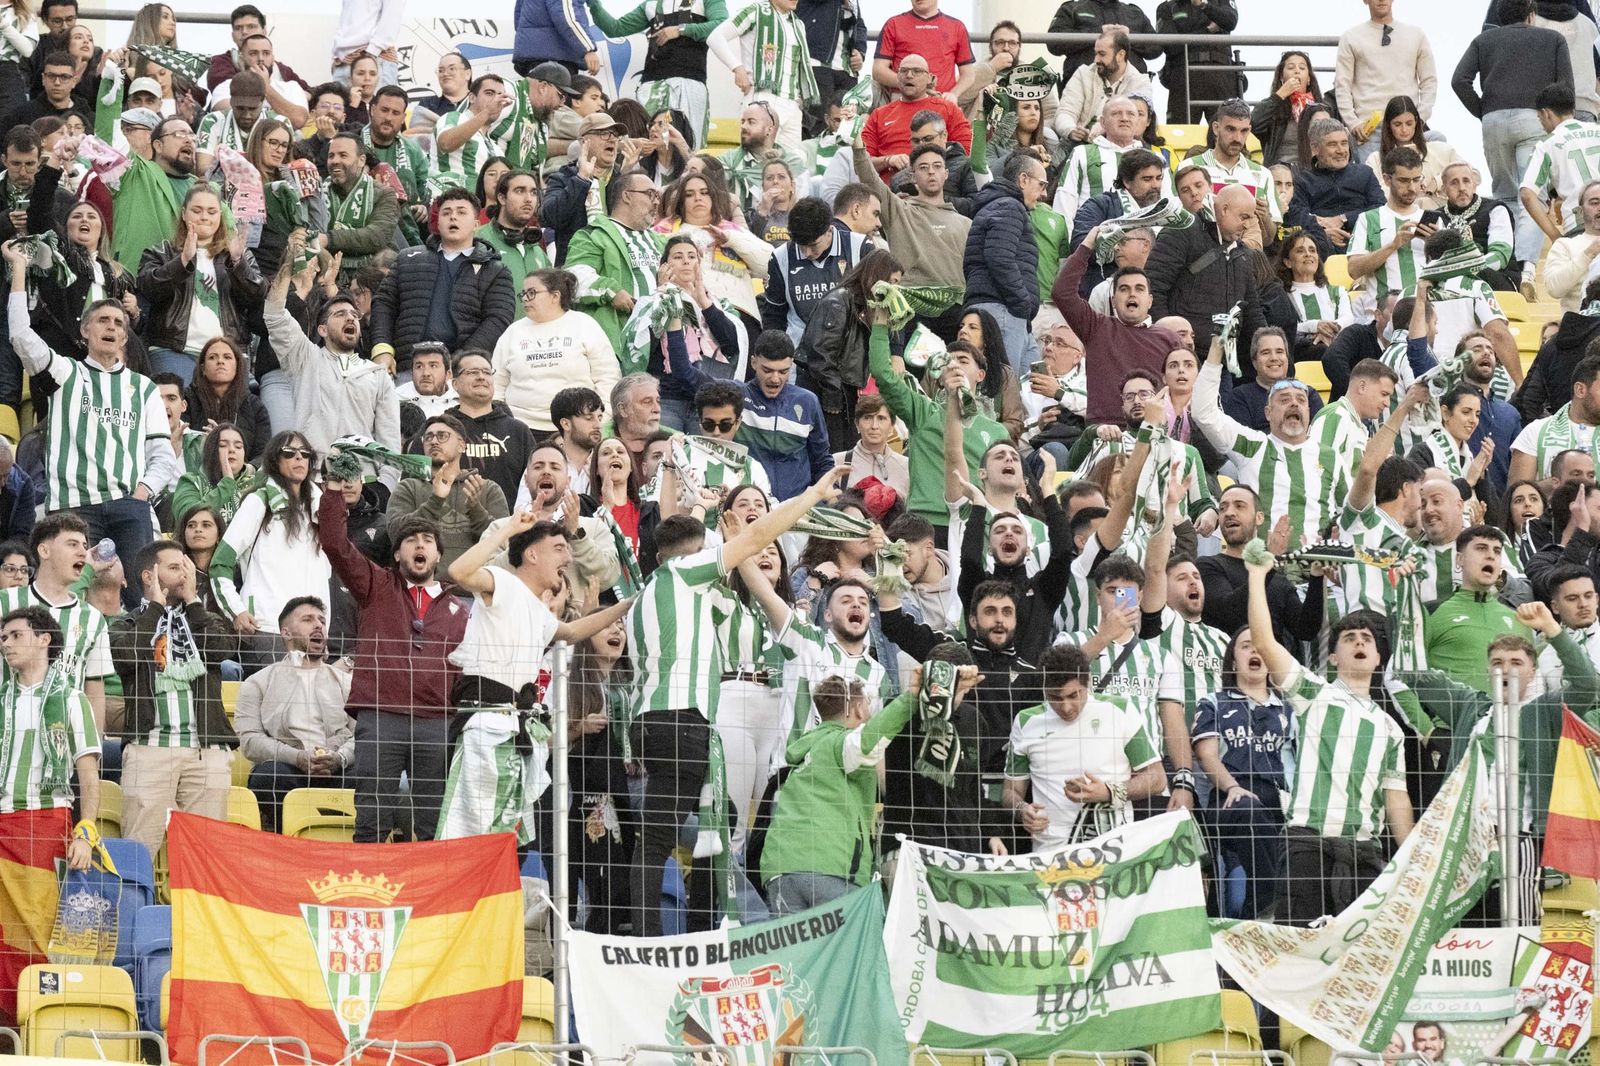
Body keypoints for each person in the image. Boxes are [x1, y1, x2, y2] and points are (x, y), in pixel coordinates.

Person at [627, 465, 847, 935]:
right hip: (694, 715)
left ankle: (705, 925)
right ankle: (702, 928)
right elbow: (746, 543)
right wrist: (809, 494)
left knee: (710, 822)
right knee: (697, 829)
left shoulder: (659, 591)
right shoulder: (691, 579)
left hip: (664, 717)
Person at [1245, 546, 1413, 925]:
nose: (1358, 643)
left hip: (1362, 852)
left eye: (1366, 639)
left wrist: (1412, 860)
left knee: (1358, 959)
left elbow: (1396, 799)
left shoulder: (1390, 729)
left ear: (1378, 660)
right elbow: (1265, 640)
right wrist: (1256, 577)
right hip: (1308, 843)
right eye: (1349, 637)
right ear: (1332, 657)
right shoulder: (1313, 692)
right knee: (1300, 948)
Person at [5, 240, 176, 608]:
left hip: (128, 505)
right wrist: (19, 268)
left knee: (140, 601)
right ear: (84, 331)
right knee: (66, 596)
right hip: (72, 509)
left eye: (119, 322)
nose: (112, 327)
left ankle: (136, 666)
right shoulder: (66, 373)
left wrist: (141, 494)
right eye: (102, 320)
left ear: (126, 336)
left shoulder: (144, 389)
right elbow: (20, 335)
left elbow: (163, 455)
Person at [319, 481, 464, 843]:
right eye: (410, 540)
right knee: (372, 816)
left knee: (434, 823)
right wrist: (334, 493)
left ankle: (432, 899)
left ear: (438, 556)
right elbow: (335, 544)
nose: (419, 545)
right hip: (381, 716)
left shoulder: (459, 611)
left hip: (436, 723)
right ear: (397, 554)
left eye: (428, 541)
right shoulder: (376, 585)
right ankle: (367, 896)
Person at [762, 666, 957, 913]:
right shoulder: (839, 744)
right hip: (831, 869)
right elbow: (865, 742)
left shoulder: (803, 754)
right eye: (867, 707)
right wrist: (909, 698)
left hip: (779, 871)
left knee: (798, 952)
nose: (868, 715)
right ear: (856, 709)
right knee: (841, 950)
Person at [0, 605, 101, 1022]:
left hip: (41, 822)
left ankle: (31, 1017)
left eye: (15, 635)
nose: (6, 643)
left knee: (35, 927)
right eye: (3, 637)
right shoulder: (1, 699)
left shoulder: (72, 699)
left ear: (44, 640)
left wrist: (87, 831)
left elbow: (89, 775)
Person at [110, 539, 235, 854]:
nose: (185, 574)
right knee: (140, 850)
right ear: (148, 576)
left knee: (207, 856)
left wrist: (194, 602)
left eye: (187, 567)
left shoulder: (202, 618)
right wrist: (154, 608)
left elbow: (221, 651)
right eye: (175, 567)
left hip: (206, 750)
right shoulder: (124, 624)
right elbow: (125, 656)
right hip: (149, 748)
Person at [1454, 3, 1574, 281]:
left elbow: (1459, 80)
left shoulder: (1484, 40)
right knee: (1532, 194)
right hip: (1536, 118)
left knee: (1505, 194)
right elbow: (1565, 88)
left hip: (1494, 121)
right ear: (1531, 14)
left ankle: (1504, 262)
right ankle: (1527, 269)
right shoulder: (1554, 39)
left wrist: (1483, 110)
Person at [1004, 641, 1163, 848]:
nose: (1066, 707)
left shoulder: (1119, 711)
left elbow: (1157, 778)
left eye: (1073, 695)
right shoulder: (1026, 722)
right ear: (1043, 688)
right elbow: (1010, 791)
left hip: (1113, 853)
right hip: (1050, 856)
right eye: (1055, 698)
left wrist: (1108, 792)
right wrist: (1022, 810)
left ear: (1087, 683)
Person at [264, 234, 399, 457]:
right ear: (322, 329)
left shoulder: (377, 375)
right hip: (313, 475)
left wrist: (383, 487)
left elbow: (390, 441)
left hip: (360, 480)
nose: (350, 318)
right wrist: (287, 270)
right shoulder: (306, 359)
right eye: (340, 314)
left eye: (354, 315)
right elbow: (274, 315)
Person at [370, 188, 515, 382]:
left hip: (460, 375)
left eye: (461, 212)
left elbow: (497, 320)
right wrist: (382, 349)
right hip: (406, 368)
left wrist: (461, 362)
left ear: (477, 224)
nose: (453, 217)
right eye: (446, 213)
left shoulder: (496, 270)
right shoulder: (407, 259)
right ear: (438, 222)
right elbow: (383, 304)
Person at [234, 596, 353, 832]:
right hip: (289, 769)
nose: (318, 625)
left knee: (374, 773)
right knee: (267, 776)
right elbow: (250, 741)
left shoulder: (346, 682)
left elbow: (364, 735)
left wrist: (338, 758)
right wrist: (297, 757)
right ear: (286, 633)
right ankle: (286, 840)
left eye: (321, 620)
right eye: (308, 620)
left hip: (337, 768)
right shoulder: (257, 682)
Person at [136, 183, 264, 385]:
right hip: (174, 350)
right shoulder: (161, 252)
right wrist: (182, 262)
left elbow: (256, 296)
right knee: (180, 411)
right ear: (184, 213)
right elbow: (148, 287)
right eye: (197, 210)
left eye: (212, 212)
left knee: (234, 415)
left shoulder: (238, 254)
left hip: (228, 352)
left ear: (220, 216)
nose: (205, 216)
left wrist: (238, 264)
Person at [210, 429, 331, 642]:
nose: (298, 457)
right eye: (289, 452)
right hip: (265, 629)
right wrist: (236, 610)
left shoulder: (323, 510)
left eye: (305, 454)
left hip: (314, 636)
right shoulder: (259, 502)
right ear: (274, 460)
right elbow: (221, 563)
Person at [1054, 230, 1183, 426]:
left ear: (1150, 301)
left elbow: (1184, 390)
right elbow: (1062, 292)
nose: (1132, 294)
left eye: (1139, 289)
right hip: (1105, 432)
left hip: (1155, 432)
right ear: (1114, 300)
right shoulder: (1096, 327)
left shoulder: (1170, 339)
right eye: (1124, 289)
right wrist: (1087, 245)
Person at [490, 268, 618, 433]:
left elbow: (608, 377)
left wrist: (599, 420)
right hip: (520, 426)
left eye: (532, 292)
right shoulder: (513, 332)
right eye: (523, 293)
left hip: (577, 427)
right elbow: (496, 384)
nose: (525, 299)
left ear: (555, 296)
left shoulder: (584, 325)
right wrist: (503, 421)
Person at [583, 0, 724, 143]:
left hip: (689, 81)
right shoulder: (651, 4)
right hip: (652, 85)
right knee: (647, 142)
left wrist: (681, 29)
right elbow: (615, 28)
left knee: (687, 142)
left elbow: (721, 24)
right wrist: (593, 4)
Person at [385, 414, 510, 571]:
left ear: (461, 445)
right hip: (421, 588)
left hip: (474, 590)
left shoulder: (486, 488)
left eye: (442, 436)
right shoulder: (408, 487)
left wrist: (475, 509)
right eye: (428, 437)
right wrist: (435, 501)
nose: (434, 441)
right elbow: (396, 534)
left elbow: (503, 545)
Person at [564, 170, 664, 361]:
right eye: (650, 194)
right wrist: (611, 291)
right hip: (619, 340)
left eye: (658, 196)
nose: (657, 202)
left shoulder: (661, 240)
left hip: (662, 342)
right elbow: (574, 277)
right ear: (627, 196)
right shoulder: (593, 235)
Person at [1146, 184, 1254, 352]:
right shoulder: (1181, 232)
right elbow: (1153, 289)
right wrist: (1167, 340)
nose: (1247, 225)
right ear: (1224, 209)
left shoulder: (1243, 253)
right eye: (1244, 217)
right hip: (1182, 354)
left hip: (1223, 359)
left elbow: (1252, 309)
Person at [964, 153, 1043, 377]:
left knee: (1023, 395)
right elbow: (999, 257)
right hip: (1003, 310)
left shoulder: (998, 205)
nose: (1044, 192)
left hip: (1004, 310)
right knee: (1001, 390)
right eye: (1041, 184)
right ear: (1023, 180)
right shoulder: (1010, 206)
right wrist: (1021, 302)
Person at [706, 0, 817, 156]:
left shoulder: (798, 24)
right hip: (763, 97)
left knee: (791, 165)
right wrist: (737, 67)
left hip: (792, 104)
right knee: (756, 158)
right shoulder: (755, 11)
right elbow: (715, 37)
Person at [1335, 0, 1440, 162]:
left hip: (1409, 125)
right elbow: (1342, 85)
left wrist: (1421, 118)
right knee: (1374, 182)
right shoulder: (1351, 37)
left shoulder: (1416, 34)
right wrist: (1353, 123)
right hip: (1370, 129)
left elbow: (1429, 81)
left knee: (1438, 146)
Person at [761, 196, 872, 344]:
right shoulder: (780, 257)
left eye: (813, 245)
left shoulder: (861, 248)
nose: (806, 253)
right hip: (800, 355)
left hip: (850, 352)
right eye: (801, 245)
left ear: (829, 230)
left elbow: (882, 306)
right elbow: (774, 317)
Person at [1283, 118, 1388, 256]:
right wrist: (1322, 232)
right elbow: (1297, 215)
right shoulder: (1303, 181)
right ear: (1315, 148)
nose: (1341, 150)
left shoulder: (1364, 173)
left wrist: (1343, 219)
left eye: (1344, 143)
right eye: (1332, 145)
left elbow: (1380, 207)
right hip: (1323, 244)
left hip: (1364, 238)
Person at [446, 350, 537, 506]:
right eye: (472, 372)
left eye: (487, 372)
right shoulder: (439, 429)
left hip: (508, 525)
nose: (481, 377)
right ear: (455, 383)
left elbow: (534, 483)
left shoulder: (518, 431)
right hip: (450, 525)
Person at [861, 54, 971, 182]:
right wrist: (889, 160)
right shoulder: (879, 114)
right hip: (889, 190)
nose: (909, 75)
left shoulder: (948, 109)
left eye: (917, 71)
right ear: (897, 76)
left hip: (938, 185)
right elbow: (862, 161)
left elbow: (965, 152)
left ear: (930, 78)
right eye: (903, 71)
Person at [1193, 100, 1282, 243]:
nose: (1237, 138)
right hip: (1203, 254)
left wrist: (1264, 217)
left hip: (1247, 259)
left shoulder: (1263, 174)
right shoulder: (1190, 167)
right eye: (1231, 129)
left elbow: (1269, 239)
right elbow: (1179, 222)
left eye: (1244, 131)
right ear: (1216, 128)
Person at [1054, 29, 1152, 149]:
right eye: (1096, 53)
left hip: (1119, 146)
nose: (1096, 60)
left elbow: (1135, 123)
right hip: (1076, 144)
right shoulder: (1083, 73)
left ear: (1121, 55)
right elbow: (1065, 112)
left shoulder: (1140, 82)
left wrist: (1094, 136)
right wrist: (1071, 130)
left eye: (1102, 54)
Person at [321, 131, 401, 278]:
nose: (335, 161)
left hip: (368, 273)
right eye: (331, 156)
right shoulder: (318, 191)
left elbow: (376, 236)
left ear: (361, 160)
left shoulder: (384, 193)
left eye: (343, 155)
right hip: (324, 271)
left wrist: (328, 239)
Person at [1155, 0, 1240, 125]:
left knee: (1229, 130)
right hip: (1184, 76)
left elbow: (1230, 21)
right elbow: (1170, 46)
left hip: (1220, 74)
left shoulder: (1221, 2)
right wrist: (1207, 31)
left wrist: (1204, 5)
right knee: (1180, 133)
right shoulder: (1167, 7)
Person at [716, 102, 807, 217]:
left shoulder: (793, 163)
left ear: (769, 130)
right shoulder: (728, 160)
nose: (743, 126)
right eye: (742, 122)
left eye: (751, 122)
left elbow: (803, 206)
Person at [1252, 51, 1325, 167]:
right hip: (1281, 173)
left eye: (1302, 68)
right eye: (1291, 68)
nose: (1297, 71)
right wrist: (1279, 95)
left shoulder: (1320, 109)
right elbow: (1253, 123)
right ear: (1282, 77)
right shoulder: (1274, 108)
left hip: (1313, 173)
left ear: (1309, 79)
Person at [511, 0, 599, 78]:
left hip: (533, 57)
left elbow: (518, 18)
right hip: (556, 61)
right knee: (559, 96)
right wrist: (588, 49)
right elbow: (567, 18)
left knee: (540, 95)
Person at [395, 342, 458, 419]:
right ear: (412, 373)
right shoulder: (395, 400)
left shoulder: (463, 400)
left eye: (433, 366)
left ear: (448, 374)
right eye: (419, 367)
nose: (426, 373)